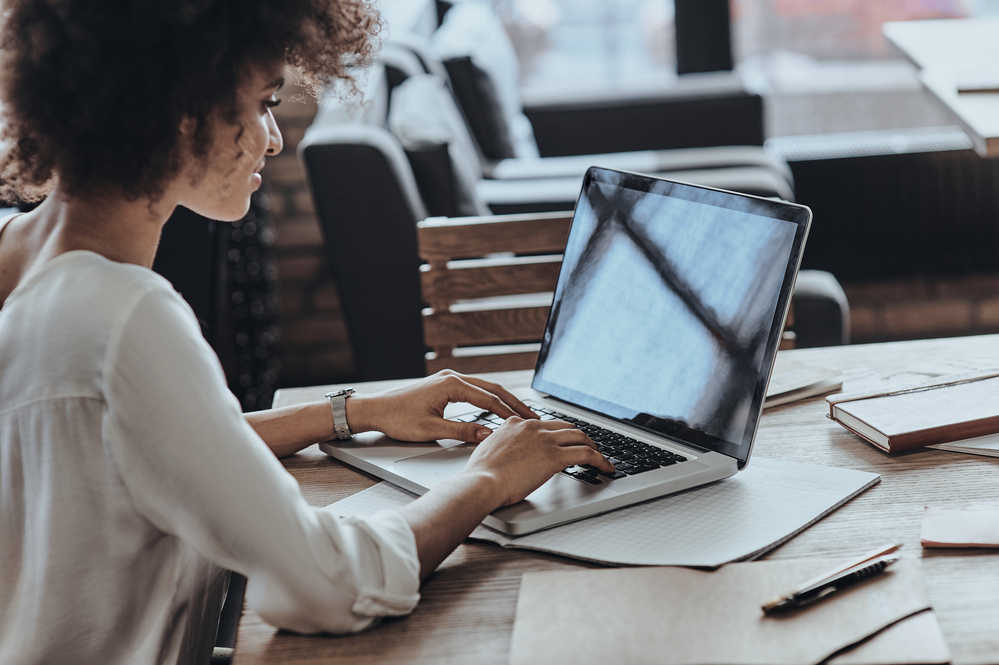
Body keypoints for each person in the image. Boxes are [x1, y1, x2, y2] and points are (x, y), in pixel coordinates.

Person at [0, 1, 613, 663]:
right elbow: (328, 585)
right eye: (262, 103)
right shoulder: (124, 315)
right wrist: (489, 477)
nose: (274, 137)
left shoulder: (21, 255)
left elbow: (144, 442)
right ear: (182, 112)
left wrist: (349, 412)